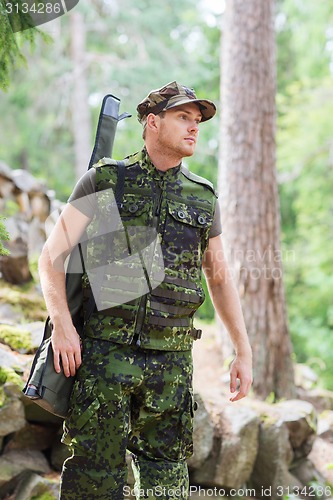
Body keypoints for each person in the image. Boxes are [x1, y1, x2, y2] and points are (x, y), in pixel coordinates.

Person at [38, 81, 253, 500]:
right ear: (153, 123)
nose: (194, 128)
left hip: (171, 365)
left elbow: (221, 278)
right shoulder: (104, 180)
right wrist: (62, 326)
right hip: (104, 356)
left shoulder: (203, 197)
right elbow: (51, 256)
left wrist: (242, 349)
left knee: (168, 484)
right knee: (93, 480)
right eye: (183, 118)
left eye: (197, 121)